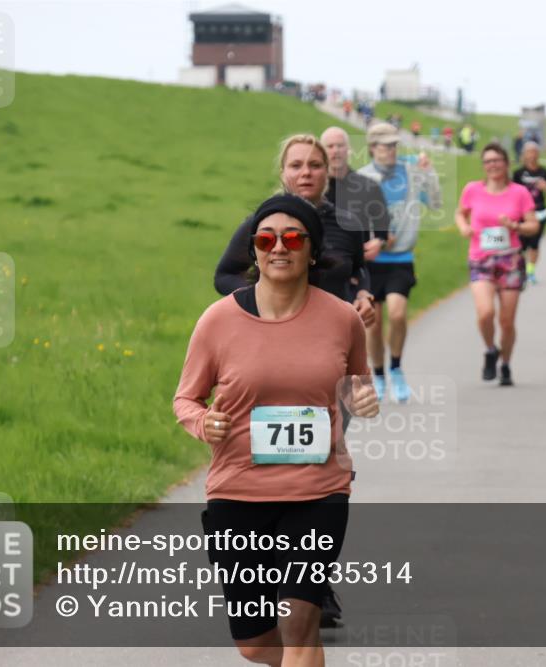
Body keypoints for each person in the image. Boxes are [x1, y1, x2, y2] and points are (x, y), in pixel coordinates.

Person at [175, 193, 380, 666]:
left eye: (293, 238)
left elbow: (356, 387)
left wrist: (364, 400)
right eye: (267, 238)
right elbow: (185, 398)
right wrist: (205, 423)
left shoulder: (342, 318)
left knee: (300, 621)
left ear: (312, 250)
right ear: (253, 250)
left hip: (319, 490)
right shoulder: (218, 320)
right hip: (238, 491)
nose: (279, 247)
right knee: (255, 644)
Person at [214, 134, 375, 327]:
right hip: (274, 333)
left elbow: (359, 268)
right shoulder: (261, 223)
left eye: (315, 165)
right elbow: (224, 276)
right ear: (283, 172)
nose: (306, 172)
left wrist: (363, 294)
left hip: (334, 333)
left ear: (327, 171)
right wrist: (261, 299)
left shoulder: (348, 223)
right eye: (296, 165)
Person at [357, 122, 442, 403]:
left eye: (395, 145)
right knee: (373, 323)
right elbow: (351, 221)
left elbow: (436, 203)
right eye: (385, 145)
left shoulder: (412, 171)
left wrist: (429, 173)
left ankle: (396, 367)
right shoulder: (360, 178)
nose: (391, 150)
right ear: (372, 148)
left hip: (401, 258)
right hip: (370, 261)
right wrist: (376, 237)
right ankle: (378, 374)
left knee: (396, 314)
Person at [455, 143, 539, 385]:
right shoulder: (473, 189)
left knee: (507, 321)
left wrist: (516, 226)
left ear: (506, 163)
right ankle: (491, 349)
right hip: (481, 259)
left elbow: (533, 225)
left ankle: (506, 364)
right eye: (488, 161)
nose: (492, 165)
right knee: (485, 313)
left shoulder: (519, 192)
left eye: (497, 160)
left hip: (510, 260)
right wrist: (463, 226)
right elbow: (460, 213)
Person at [320, 127, 391, 262]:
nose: (336, 150)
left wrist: (379, 242)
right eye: (330, 146)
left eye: (340, 145)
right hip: (318, 267)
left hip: (356, 266)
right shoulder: (312, 187)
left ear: (349, 149)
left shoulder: (369, 186)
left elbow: (382, 223)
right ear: (321, 152)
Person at [511, 142, 546, 284]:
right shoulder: (518, 173)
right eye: (529, 152)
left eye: (534, 151)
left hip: (540, 212)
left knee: (535, 244)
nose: (532, 155)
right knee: (520, 245)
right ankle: (520, 270)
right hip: (522, 214)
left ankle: (530, 271)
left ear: (538, 154)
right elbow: (510, 193)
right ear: (524, 154)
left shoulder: (545, 172)